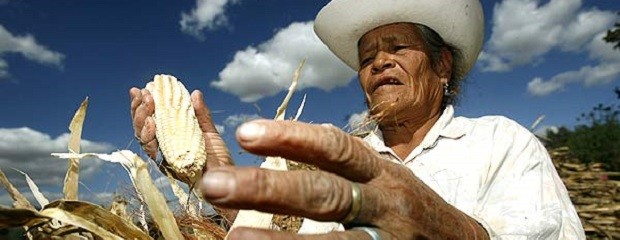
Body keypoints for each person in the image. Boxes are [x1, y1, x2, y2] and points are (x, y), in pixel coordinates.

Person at [130, 0, 586, 239]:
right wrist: (210, 171)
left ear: (443, 65)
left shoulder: (501, 143)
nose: (379, 63)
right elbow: (266, 232)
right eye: (367, 57)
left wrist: (443, 226)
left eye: (398, 48)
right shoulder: (337, 163)